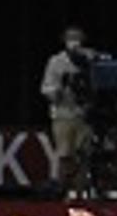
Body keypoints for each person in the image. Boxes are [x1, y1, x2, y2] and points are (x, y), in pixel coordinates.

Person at [40, 26, 96, 198]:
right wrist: (61, 87)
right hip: (63, 116)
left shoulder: (91, 58)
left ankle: (81, 194)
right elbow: (46, 89)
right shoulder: (56, 62)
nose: (74, 42)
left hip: (85, 116)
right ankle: (62, 192)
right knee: (66, 156)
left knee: (85, 156)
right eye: (70, 38)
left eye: (77, 37)